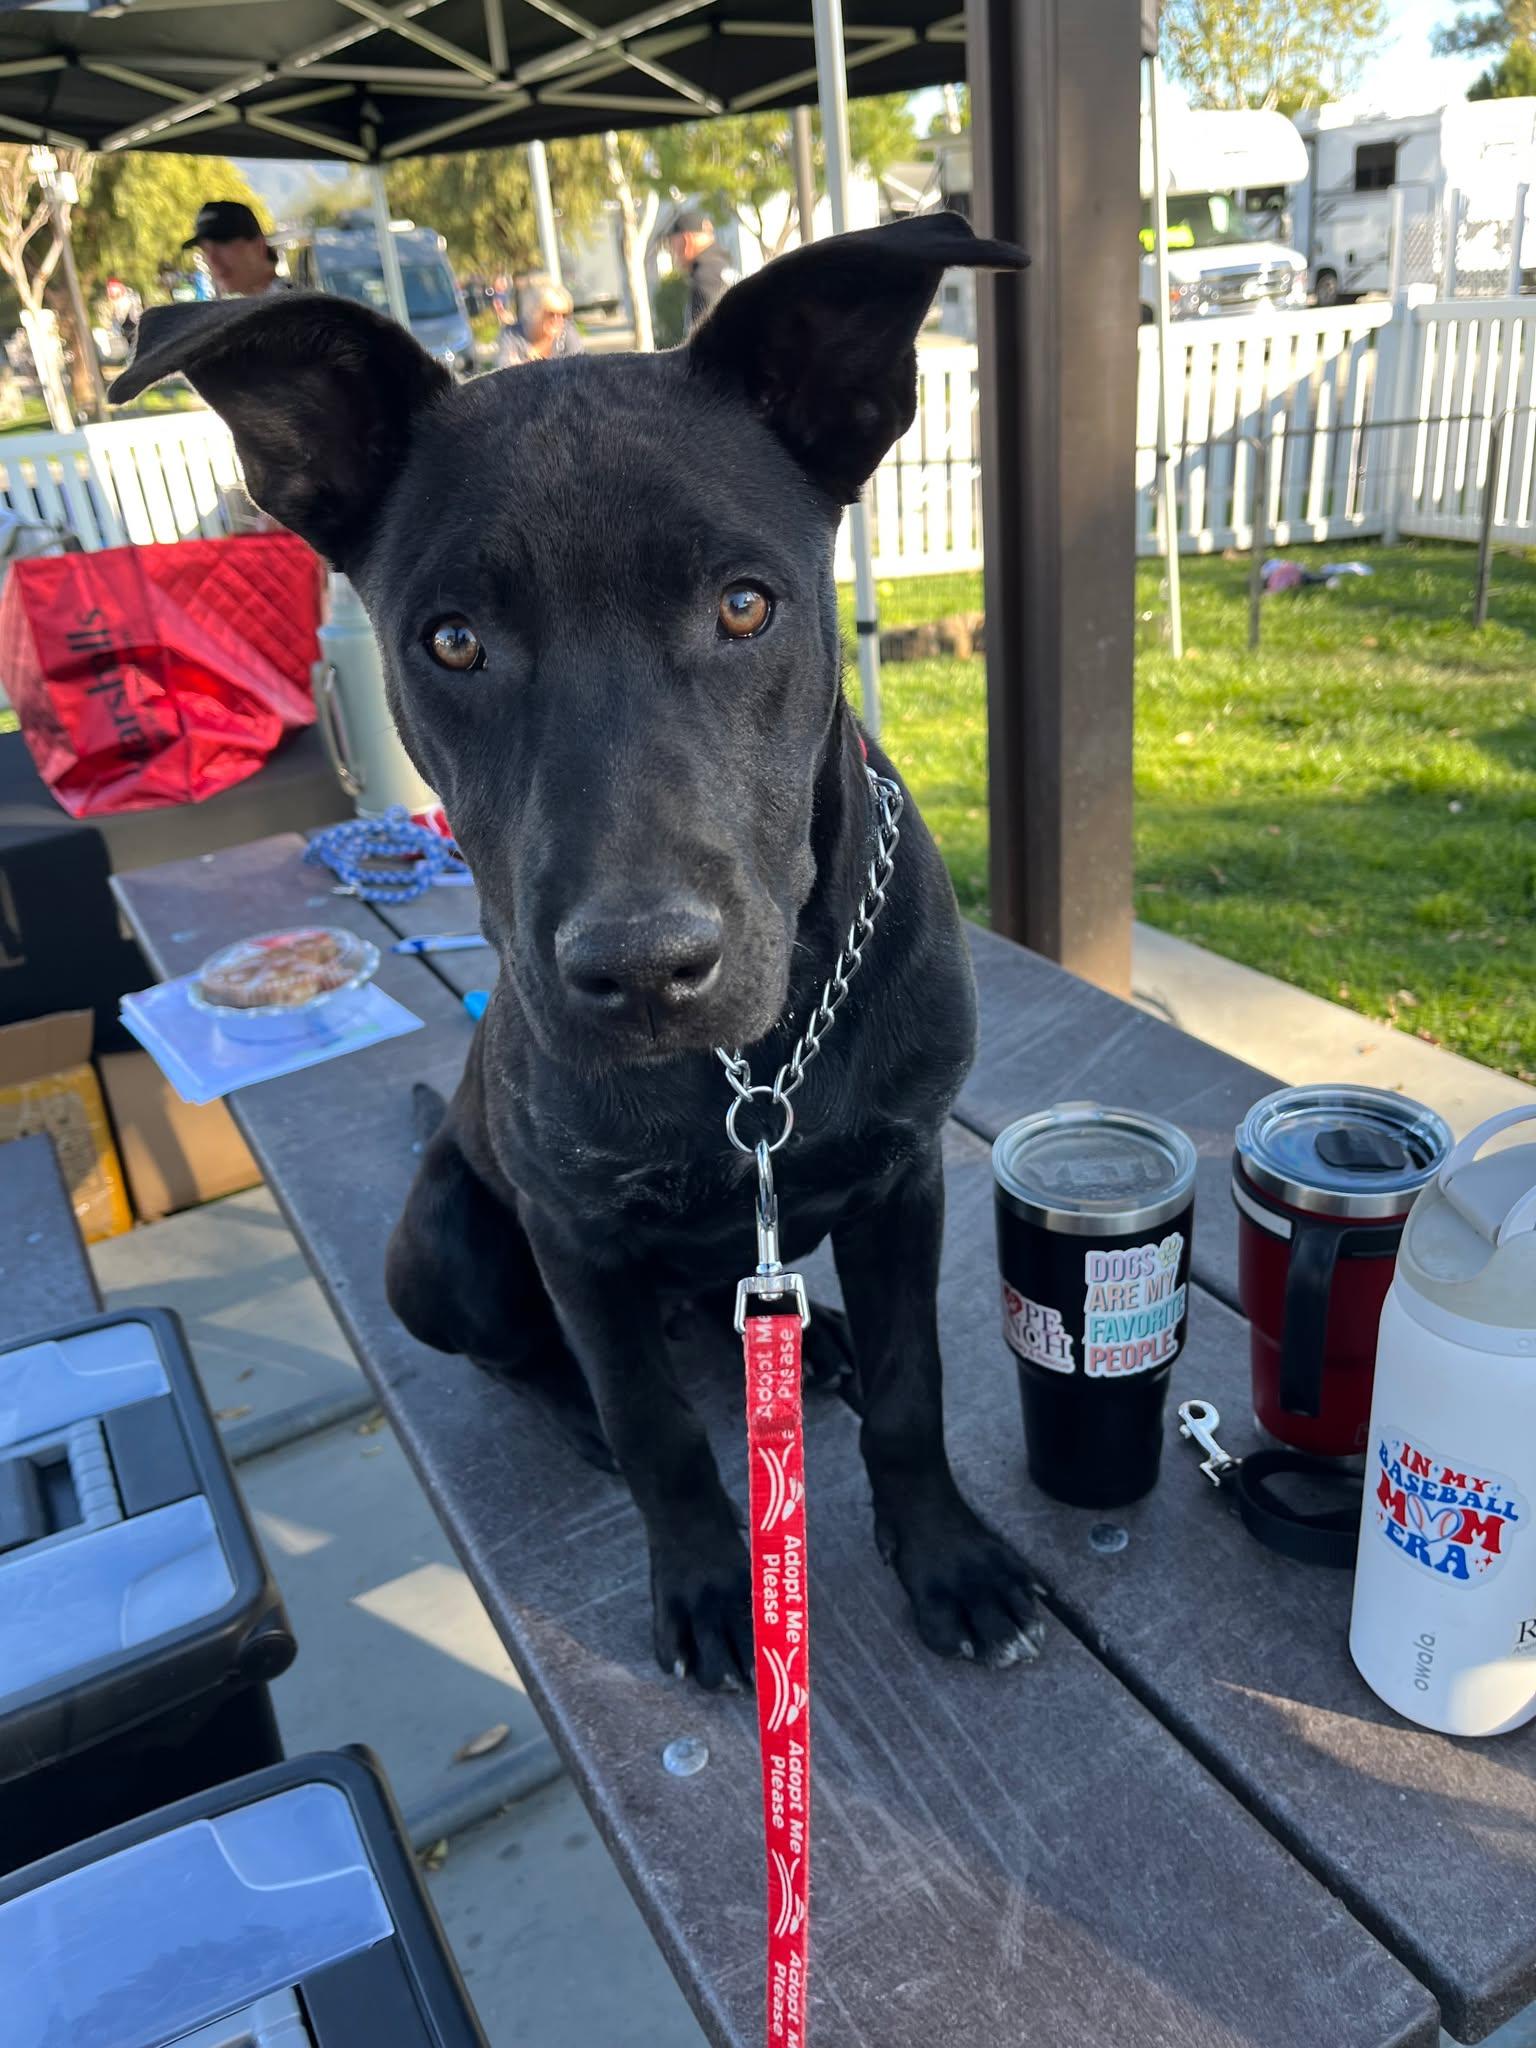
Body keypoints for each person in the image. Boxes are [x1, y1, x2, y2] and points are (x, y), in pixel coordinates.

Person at [182, 201, 288, 300]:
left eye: (222, 243)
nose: (212, 259)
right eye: (204, 249)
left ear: (258, 246)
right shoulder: (260, 306)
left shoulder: (292, 309)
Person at [666, 208, 737, 332]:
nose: (673, 253)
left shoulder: (706, 277)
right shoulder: (718, 267)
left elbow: (710, 340)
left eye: (673, 245)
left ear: (686, 241)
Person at [497, 277, 583, 366]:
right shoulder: (512, 334)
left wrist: (524, 367)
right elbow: (503, 371)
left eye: (563, 315)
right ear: (536, 313)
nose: (558, 319)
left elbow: (580, 367)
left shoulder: (567, 332)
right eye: (551, 314)